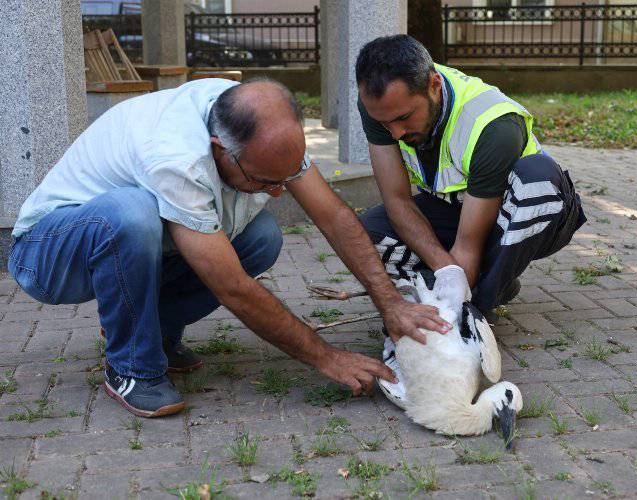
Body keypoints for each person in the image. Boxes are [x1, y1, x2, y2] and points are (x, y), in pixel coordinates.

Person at [7, 77, 450, 418]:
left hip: (120, 241)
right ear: (220, 150)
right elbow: (232, 288)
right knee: (132, 214)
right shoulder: (175, 158)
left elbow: (333, 215)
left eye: (285, 178)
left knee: (262, 239)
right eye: (263, 181)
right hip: (47, 253)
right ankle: (131, 366)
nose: (278, 194)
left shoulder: (252, 117)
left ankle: (150, 329)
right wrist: (326, 356)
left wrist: (389, 302)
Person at [355, 35, 586, 322]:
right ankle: (480, 283)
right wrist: (447, 271)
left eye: (404, 117)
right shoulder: (381, 105)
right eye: (384, 123)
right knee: (361, 237)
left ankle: (476, 306)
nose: (395, 133)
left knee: (537, 177)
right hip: (457, 208)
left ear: (434, 85)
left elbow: (468, 245)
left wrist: (452, 315)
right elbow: (397, 200)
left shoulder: (493, 123)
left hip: (522, 215)